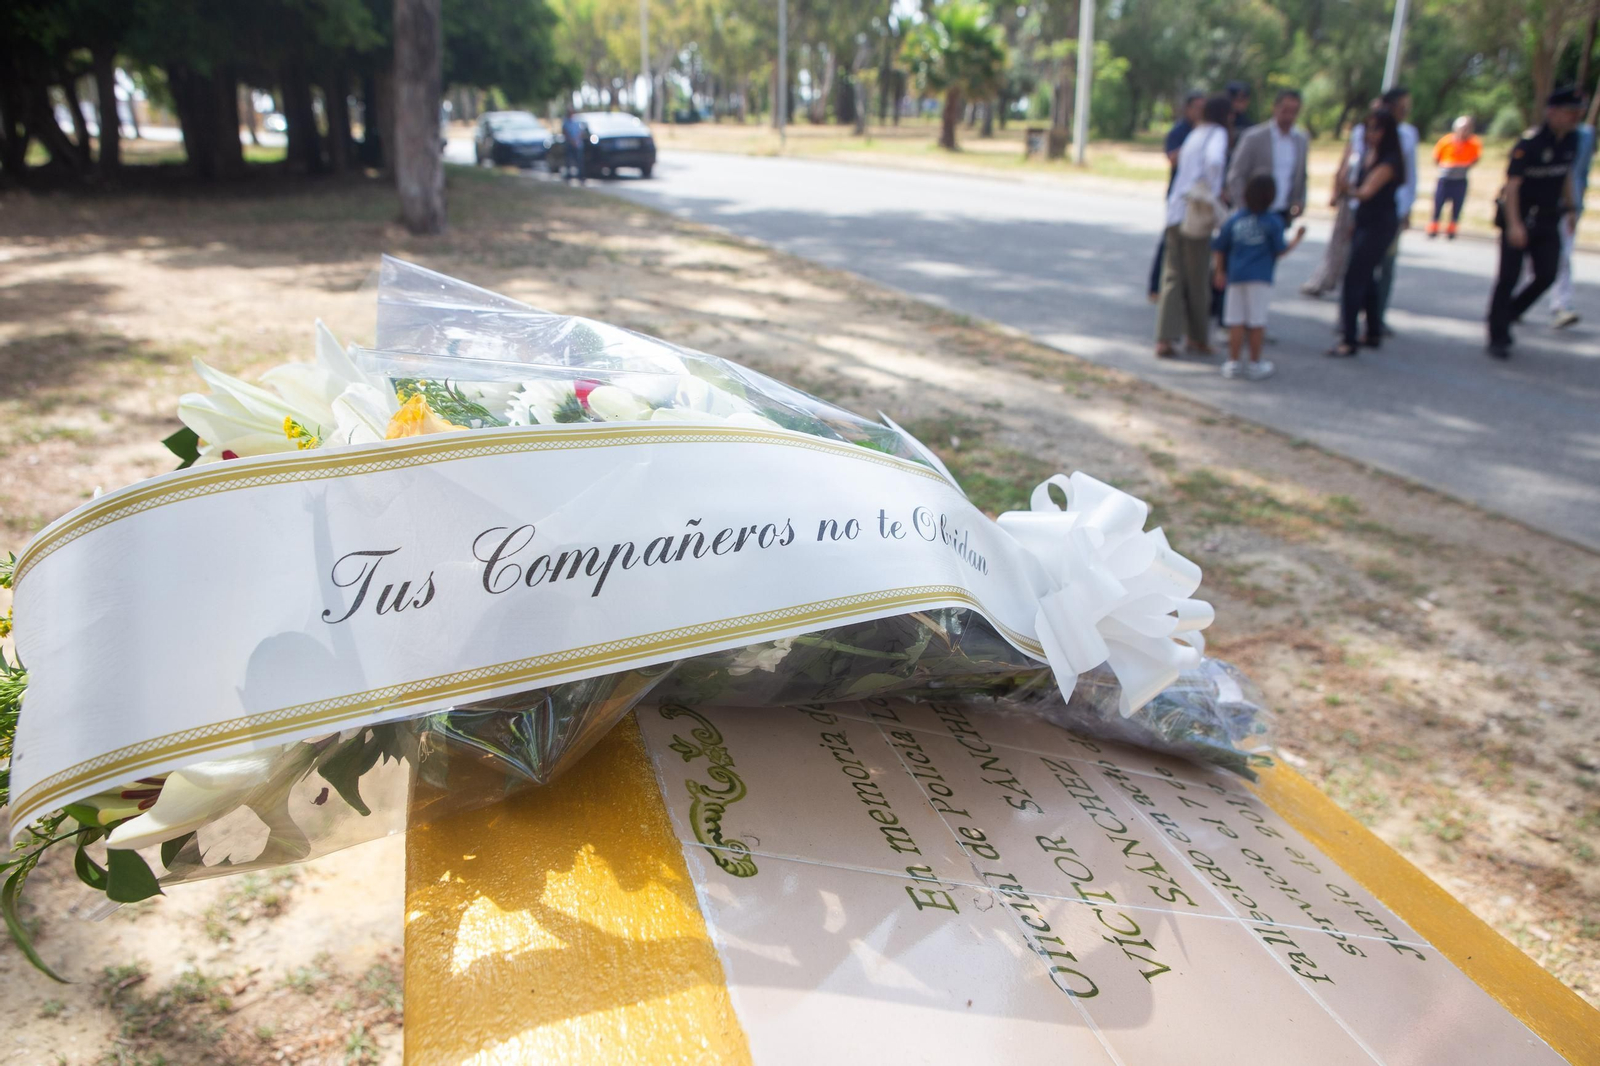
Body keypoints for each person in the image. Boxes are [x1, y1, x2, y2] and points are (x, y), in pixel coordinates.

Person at [1487, 86, 1583, 358]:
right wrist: (1515, 224)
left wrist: (1572, 207)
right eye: (1568, 112)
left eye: (1577, 113)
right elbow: (1513, 186)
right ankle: (1498, 336)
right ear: (1552, 112)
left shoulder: (1572, 140)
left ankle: (1512, 311)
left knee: (1547, 274)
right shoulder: (1529, 143)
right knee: (1508, 277)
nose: (1573, 118)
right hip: (1521, 217)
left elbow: (1565, 173)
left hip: (1549, 218)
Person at [1155, 96, 1233, 358]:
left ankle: (1165, 337)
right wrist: (1214, 190)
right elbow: (1214, 162)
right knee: (1198, 277)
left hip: (1177, 210)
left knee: (1173, 275)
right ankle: (1197, 337)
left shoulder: (1195, 134)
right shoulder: (1217, 134)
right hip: (1196, 213)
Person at [1212, 174, 1308, 380]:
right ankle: (1255, 363)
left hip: (1236, 276)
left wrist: (1220, 271)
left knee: (1235, 321)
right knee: (1256, 322)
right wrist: (1297, 239)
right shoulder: (1273, 221)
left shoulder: (1235, 219)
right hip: (1260, 278)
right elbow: (1280, 250)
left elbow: (1220, 247)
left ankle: (1233, 362)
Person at [1328, 108, 1405, 357]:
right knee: (1368, 276)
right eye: (1368, 128)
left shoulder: (1390, 160)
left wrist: (1343, 188)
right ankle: (1372, 331)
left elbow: (1366, 192)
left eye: (1376, 129)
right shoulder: (1368, 154)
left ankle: (1348, 339)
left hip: (1380, 224)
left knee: (1354, 278)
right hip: (1365, 220)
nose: (1370, 134)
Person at [1301, 99, 1380, 298]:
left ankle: (1354, 290)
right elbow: (1345, 163)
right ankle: (1325, 279)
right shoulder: (1358, 134)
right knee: (1338, 241)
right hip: (1350, 198)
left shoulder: (1392, 143)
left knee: (1361, 251)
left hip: (1369, 203)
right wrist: (1337, 190)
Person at [1148, 92, 1205, 302]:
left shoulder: (1207, 132)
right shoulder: (1180, 132)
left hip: (1199, 197)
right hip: (1178, 197)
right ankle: (1155, 287)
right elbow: (1172, 159)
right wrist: (1193, 147)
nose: (1200, 112)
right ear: (1187, 109)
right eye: (1197, 107)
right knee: (1170, 241)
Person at [1372, 87, 1418, 333]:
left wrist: (1408, 209)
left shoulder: (1409, 135)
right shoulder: (1369, 130)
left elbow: (1411, 175)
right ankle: (1353, 317)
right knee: (1361, 266)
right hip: (1366, 211)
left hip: (1393, 211)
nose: (1405, 112)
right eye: (1402, 107)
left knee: (1387, 266)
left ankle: (1377, 317)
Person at [1226, 89, 1309, 226]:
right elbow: (1236, 175)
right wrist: (1244, 207)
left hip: (1282, 212)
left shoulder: (1301, 139)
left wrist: (1300, 201)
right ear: (1275, 108)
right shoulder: (1254, 137)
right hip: (1254, 211)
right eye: (1285, 110)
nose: (1289, 117)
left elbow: (1302, 175)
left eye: (1294, 112)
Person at [1549, 110, 1594, 328]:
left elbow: (1580, 173)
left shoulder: (1586, 135)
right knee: (1531, 260)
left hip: (1568, 207)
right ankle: (1515, 302)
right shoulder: (1542, 135)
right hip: (1539, 207)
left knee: (1564, 256)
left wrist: (1575, 207)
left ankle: (1562, 305)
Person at [1429, 116, 1482, 239]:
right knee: (1438, 203)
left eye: (1467, 128)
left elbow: (1476, 158)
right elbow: (1436, 157)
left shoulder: (1473, 143)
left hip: (1460, 179)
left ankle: (1451, 230)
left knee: (1457, 205)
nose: (1464, 131)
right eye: (1462, 128)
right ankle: (1433, 228)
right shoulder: (1446, 141)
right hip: (1445, 178)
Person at [561, 108, 587, 184]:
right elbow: (565, 132)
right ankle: (569, 176)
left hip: (578, 144)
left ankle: (581, 176)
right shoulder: (565, 122)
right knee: (569, 161)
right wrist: (571, 141)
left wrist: (576, 140)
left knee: (579, 161)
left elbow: (581, 132)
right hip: (569, 144)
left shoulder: (577, 121)